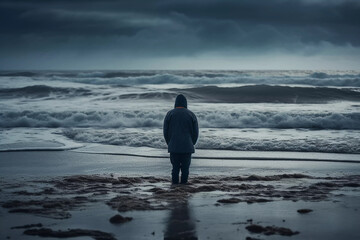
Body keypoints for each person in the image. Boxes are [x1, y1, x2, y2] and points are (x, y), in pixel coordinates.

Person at [163, 94, 199, 184]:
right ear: (185, 103)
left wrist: (169, 143)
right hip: (187, 146)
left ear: (175, 103)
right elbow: (196, 132)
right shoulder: (191, 114)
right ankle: (184, 185)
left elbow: (165, 132)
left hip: (174, 146)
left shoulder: (170, 113)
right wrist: (192, 143)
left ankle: (174, 186)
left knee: (175, 168)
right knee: (185, 169)